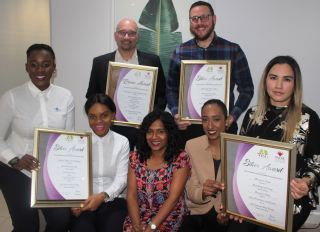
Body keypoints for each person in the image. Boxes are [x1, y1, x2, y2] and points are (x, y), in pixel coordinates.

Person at [228, 56, 320, 232]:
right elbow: (240, 158)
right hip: (253, 193)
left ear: (295, 85)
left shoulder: (308, 118)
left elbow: (317, 162)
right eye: (273, 78)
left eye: (287, 79)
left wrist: (306, 182)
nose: (278, 86)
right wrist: (234, 199)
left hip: (291, 198)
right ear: (265, 81)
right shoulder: (252, 115)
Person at [0, 44, 74, 231]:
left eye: (46, 64)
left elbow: (69, 138)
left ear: (54, 67)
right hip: (17, 171)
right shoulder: (12, 97)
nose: (40, 70)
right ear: (27, 67)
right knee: (27, 226)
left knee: (61, 220)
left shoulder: (65, 96)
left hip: (51, 172)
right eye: (34, 65)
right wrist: (14, 160)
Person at [167, 1, 254, 145]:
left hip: (223, 127)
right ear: (190, 22)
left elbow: (247, 89)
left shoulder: (233, 50)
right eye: (194, 19)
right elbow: (171, 89)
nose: (199, 23)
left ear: (214, 19)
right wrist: (177, 113)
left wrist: (233, 116)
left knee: (224, 167)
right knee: (191, 167)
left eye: (204, 17)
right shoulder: (180, 52)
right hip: (190, 129)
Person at [86, 18, 167, 151]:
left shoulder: (152, 61)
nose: (126, 37)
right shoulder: (100, 63)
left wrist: (150, 119)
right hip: (111, 129)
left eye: (131, 33)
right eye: (122, 33)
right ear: (115, 36)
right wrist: (105, 117)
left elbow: (162, 95)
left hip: (144, 130)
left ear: (138, 36)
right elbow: (92, 95)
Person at [123, 110, 191, 231]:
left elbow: (173, 199)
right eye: (150, 132)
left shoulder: (180, 158)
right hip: (140, 214)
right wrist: (136, 224)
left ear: (169, 133)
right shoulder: (135, 157)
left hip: (170, 215)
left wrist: (152, 227)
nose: (154, 137)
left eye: (160, 132)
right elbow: (131, 195)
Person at [70, 94, 129, 232]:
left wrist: (102, 196)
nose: (98, 121)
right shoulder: (77, 141)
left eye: (104, 115)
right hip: (84, 201)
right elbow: (71, 177)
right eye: (92, 117)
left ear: (113, 115)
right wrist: (72, 203)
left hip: (113, 200)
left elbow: (122, 179)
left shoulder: (122, 142)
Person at [179, 99, 228, 232]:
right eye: (205, 120)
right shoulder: (192, 145)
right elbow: (190, 188)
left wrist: (227, 213)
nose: (210, 126)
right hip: (197, 212)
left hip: (227, 216)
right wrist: (202, 192)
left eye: (216, 119)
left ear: (227, 121)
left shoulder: (237, 147)